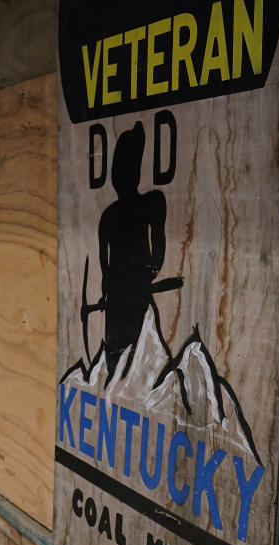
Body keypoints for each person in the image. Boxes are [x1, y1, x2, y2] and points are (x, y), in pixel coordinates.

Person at [97, 122, 167, 376]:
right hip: (117, 297)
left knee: (143, 355)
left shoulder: (151, 202)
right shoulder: (109, 215)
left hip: (135, 293)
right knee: (115, 359)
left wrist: (147, 274)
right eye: (119, 170)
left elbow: (158, 241)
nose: (122, 177)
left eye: (128, 170)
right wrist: (111, 287)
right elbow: (104, 262)